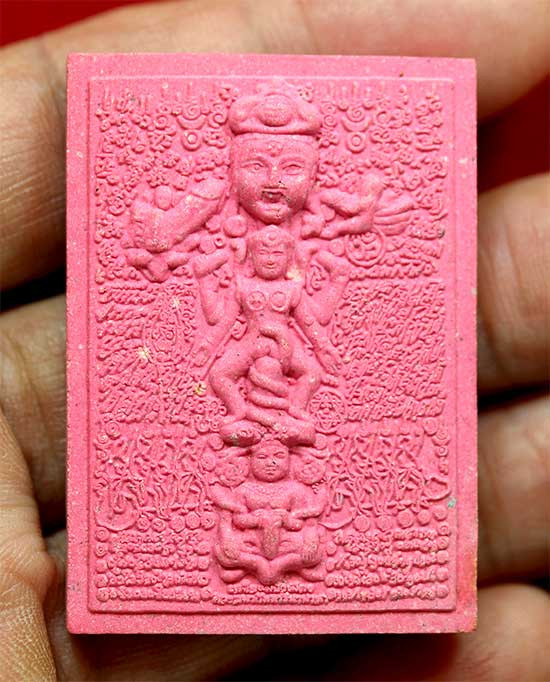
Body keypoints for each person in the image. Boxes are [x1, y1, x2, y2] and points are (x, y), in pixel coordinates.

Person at [0, 1, 548, 680]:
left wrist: (326, 334)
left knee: (300, 382)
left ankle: (287, 430)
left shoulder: (314, 244)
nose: (272, 183)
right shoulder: (216, 230)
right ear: (232, 163)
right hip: (241, 362)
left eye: (291, 168)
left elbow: (317, 314)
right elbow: (192, 284)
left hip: (289, 363)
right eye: (256, 165)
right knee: (225, 380)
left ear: (314, 169)